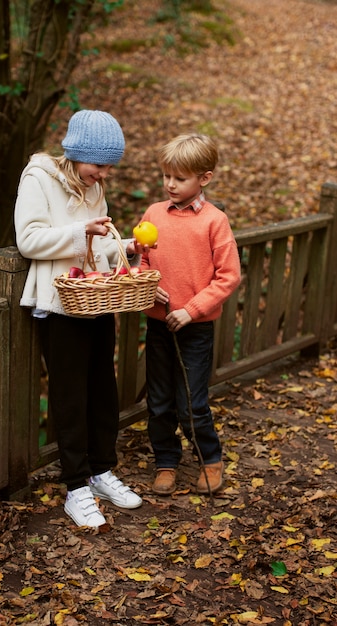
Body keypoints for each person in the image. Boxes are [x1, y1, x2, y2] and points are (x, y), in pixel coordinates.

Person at [14, 110, 144, 528]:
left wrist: (123, 248)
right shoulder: (39, 179)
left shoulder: (94, 186)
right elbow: (29, 239)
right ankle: (76, 487)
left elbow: (99, 244)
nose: (104, 174)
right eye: (99, 164)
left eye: (110, 166)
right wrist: (79, 232)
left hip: (95, 297)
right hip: (58, 302)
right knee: (70, 394)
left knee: (102, 388)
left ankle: (102, 470)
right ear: (76, 154)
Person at [137, 133, 241, 496]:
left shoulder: (215, 221)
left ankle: (209, 460)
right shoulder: (153, 214)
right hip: (158, 324)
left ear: (204, 178)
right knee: (160, 400)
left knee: (192, 402)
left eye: (179, 178)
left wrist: (191, 309)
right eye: (166, 176)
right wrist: (147, 284)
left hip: (195, 328)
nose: (170, 184)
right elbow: (142, 261)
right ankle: (166, 461)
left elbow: (228, 276)